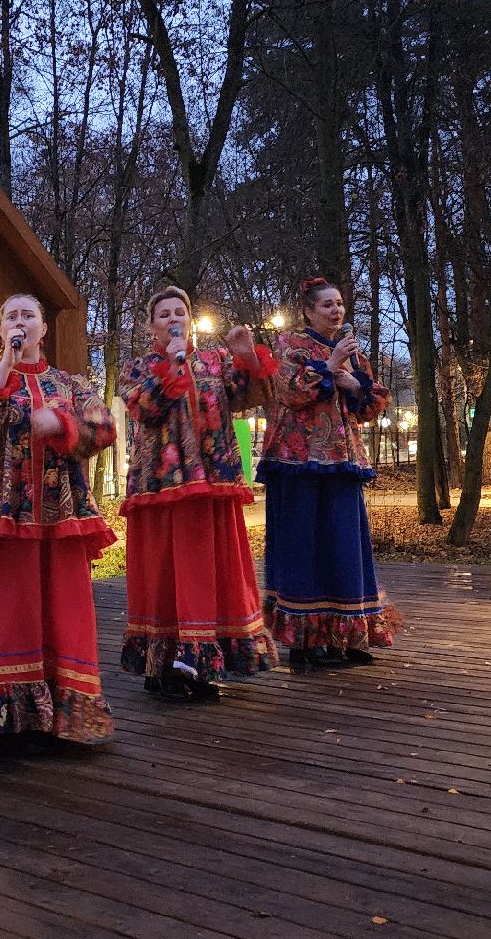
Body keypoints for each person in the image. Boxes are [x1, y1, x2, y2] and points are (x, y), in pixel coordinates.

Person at [0, 294, 119, 751]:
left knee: (58, 605)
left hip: (57, 512)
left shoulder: (70, 384)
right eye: (10, 316)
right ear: (1, 329)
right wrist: (2, 370)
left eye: (28, 315)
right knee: (0, 607)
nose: (20, 322)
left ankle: (55, 716)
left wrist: (63, 426)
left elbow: (103, 428)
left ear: (43, 328)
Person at [118, 285, 279, 702]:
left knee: (208, 570)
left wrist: (246, 356)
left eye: (180, 312)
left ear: (191, 320)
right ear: (151, 326)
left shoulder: (215, 361)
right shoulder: (138, 369)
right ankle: (162, 666)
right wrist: (170, 366)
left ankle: (201, 664)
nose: (174, 319)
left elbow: (251, 397)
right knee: (165, 572)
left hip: (212, 480)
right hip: (161, 485)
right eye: (164, 314)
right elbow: (144, 408)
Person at [259, 277, 401, 669]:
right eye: (327, 305)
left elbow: (370, 406)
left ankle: (346, 635)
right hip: (297, 462)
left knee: (343, 546)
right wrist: (331, 364)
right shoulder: (290, 345)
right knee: (303, 547)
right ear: (308, 311)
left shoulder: (352, 351)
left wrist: (353, 382)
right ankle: (305, 642)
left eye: (339, 303)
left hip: (342, 462)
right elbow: (288, 392)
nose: (336, 310)